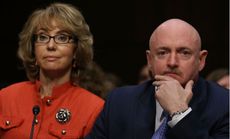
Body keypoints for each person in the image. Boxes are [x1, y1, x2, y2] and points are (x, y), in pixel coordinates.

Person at [85, 18, 229, 139]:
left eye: (184, 53)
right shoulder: (119, 102)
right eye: (162, 52)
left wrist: (179, 113)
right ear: (149, 60)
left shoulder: (225, 105)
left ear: (201, 60)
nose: (172, 62)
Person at [0, 2, 104, 138]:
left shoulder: (93, 109)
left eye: (62, 38)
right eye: (42, 37)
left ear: (76, 51)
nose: (50, 45)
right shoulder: (6, 97)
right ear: (33, 49)